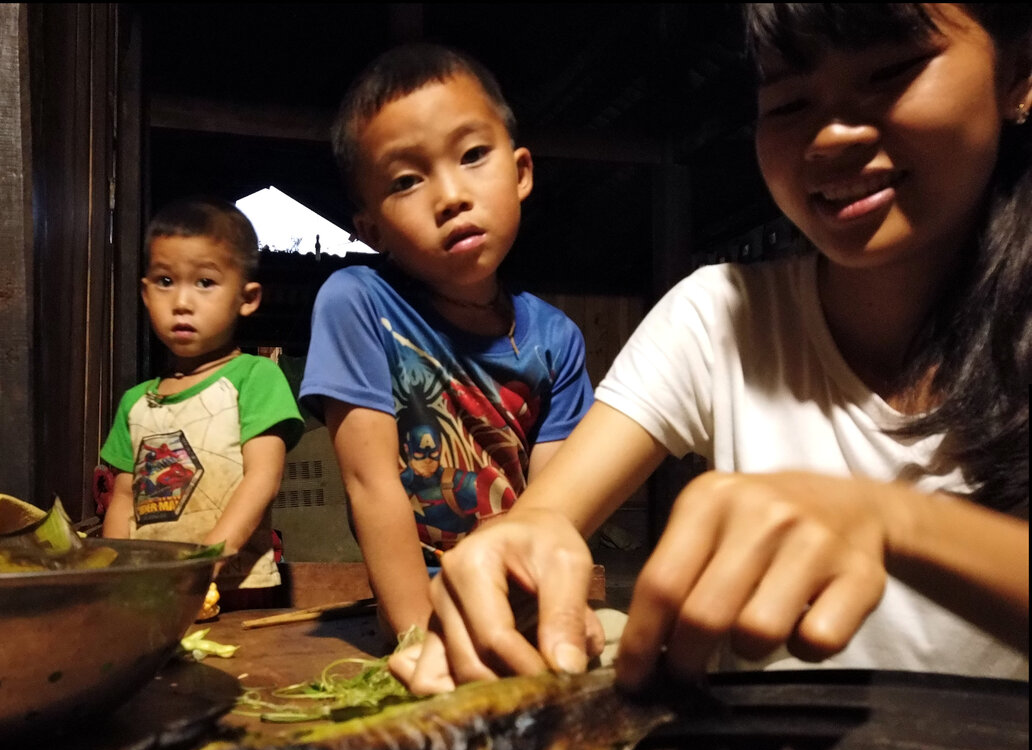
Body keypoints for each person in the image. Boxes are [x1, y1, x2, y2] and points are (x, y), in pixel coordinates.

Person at [393, 3, 1031, 694]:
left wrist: (887, 521)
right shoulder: (720, 315)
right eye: (788, 103)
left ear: (1019, 74)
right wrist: (512, 547)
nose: (831, 137)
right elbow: (548, 513)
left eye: (891, 72)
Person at [299, 44, 594, 641]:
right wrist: (415, 636)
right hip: (415, 599)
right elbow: (370, 483)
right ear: (370, 229)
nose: (451, 196)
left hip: (519, 595)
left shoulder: (557, 339)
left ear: (522, 172)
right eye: (407, 179)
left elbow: (556, 501)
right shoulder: (357, 303)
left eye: (473, 154)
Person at [101, 196, 304, 598]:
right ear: (145, 294)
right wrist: (116, 574)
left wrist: (207, 560)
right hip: (154, 593)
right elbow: (123, 499)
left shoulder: (255, 378)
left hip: (237, 589)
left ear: (247, 299)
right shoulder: (136, 403)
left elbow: (263, 478)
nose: (181, 303)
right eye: (164, 281)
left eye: (205, 283)